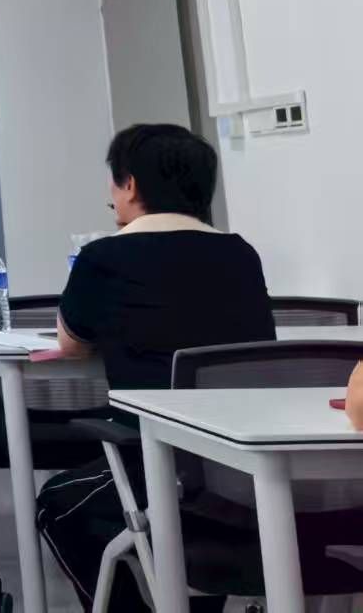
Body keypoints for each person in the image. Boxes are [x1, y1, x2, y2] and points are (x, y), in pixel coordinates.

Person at [36, 124, 273, 613]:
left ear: (130, 185)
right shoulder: (241, 254)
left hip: (158, 464)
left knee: (58, 504)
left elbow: (71, 345)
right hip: (245, 470)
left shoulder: (104, 256)